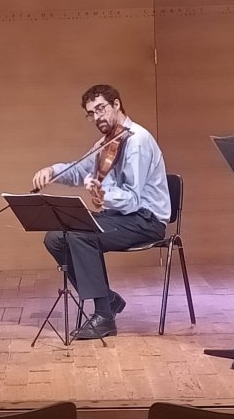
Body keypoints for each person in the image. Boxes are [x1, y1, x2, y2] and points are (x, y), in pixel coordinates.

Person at [31, 84, 171, 339]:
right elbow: (78, 170)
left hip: (146, 219)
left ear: (116, 105)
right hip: (121, 217)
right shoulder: (106, 142)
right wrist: (52, 171)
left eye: (101, 109)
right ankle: (108, 299)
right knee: (55, 237)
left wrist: (104, 193)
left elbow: (132, 200)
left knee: (81, 236)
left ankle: (104, 316)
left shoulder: (137, 141)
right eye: (91, 113)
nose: (97, 117)